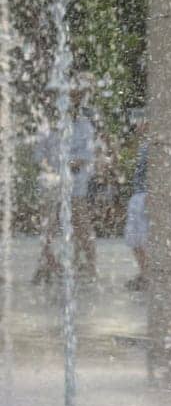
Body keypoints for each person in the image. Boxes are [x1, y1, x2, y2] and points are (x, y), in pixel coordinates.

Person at [32, 103, 99, 284]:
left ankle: (91, 267)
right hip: (52, 183)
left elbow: (86, 157)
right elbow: (39, 157)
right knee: (48, 224)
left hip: (76, 183)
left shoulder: (84, 125)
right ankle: (46, 265)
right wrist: (52, 171)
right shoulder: (47, 126)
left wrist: (65, 167)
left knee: (82, 224)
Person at [123, 109, 150, 292]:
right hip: (139, 195)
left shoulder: (151, 146)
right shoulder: (145, 145)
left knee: (141, 236)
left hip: (144, 196)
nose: (137, 126)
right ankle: (145, 272)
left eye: (140, 122)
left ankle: (147, 274)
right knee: (135, 237)